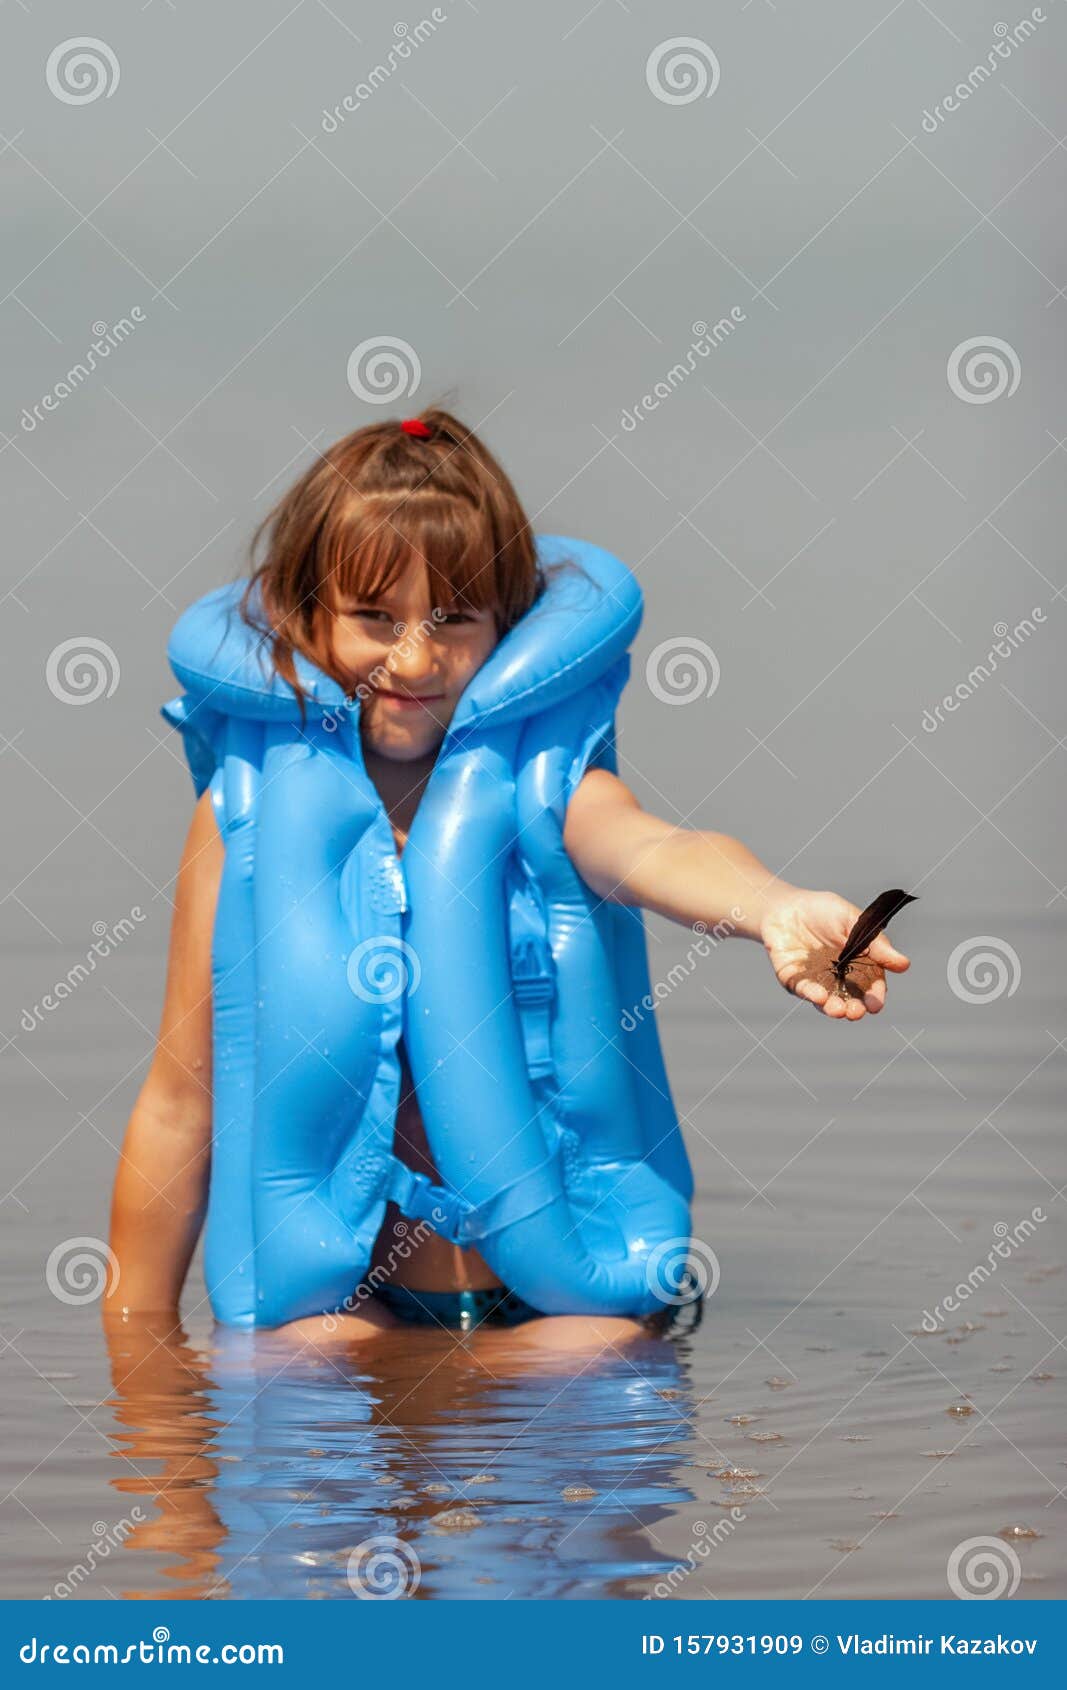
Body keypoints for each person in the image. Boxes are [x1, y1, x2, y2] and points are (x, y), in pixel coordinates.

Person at [106, 409, 910, 1350]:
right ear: (305, 619)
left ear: (512, 629)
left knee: (588, 1363)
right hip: (353, 1302)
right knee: (294, 1375)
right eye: (375, 618)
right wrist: (138, 1358)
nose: (415, 659)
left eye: (454, 621)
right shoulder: (241, 818)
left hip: (555, 1301)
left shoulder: (555, 791)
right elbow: (179, 1096)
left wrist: (770, 905)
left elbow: (656, 852)